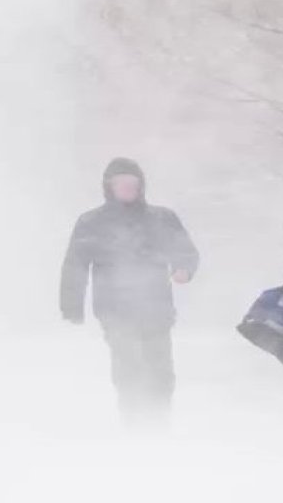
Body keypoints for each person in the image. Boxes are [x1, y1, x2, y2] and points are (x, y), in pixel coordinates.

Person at [60, 157, 200, 426]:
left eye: (132, 183)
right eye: (120, 183)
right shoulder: (92, 222)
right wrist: (71, 307)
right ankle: (133, 422)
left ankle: (159, 421)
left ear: (141, 186)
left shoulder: (162, 218)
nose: (126, 188)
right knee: (129, 367)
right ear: (108, 187)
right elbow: (74, 266)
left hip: (156, 308)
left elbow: (186, 251)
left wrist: (184, 269)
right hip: (114, 310)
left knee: (160, 370)